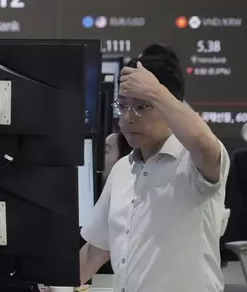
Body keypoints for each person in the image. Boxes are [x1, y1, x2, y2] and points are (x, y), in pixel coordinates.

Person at [79, 53, 230, 291]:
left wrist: (156, 92)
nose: (128, 118)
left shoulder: (193, 161)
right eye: (124, 106)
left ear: (171, 105)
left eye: (142, 106)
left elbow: (203, 141)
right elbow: (95, 251)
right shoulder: (122, 171)